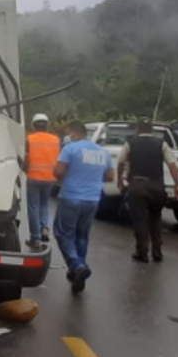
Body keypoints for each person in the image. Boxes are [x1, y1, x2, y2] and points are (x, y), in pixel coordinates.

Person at [53, 121, 113, 293]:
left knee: (63, 233)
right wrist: (91, 178)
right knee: (82, 235)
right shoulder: (102, 152)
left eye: (67, 133)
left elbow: (58, 172)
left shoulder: (70, 149)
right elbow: (110, 176)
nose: (66, 137)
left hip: (71, 197)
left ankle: (77, 265)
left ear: (74, 134)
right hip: (93, 199)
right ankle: (78, 272)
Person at [116, 119, 178, 263]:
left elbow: (120, 162)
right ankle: (157, 252)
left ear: (138, 129)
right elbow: (172, 165)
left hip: (137, 185)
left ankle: (142, 252)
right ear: (151, 130)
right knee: (155, 218)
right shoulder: (161, 144)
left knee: (139, 219)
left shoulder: (130, 143)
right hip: (156, 186)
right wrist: (177, 185)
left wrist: (120, 178)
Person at [25, 113, 61, 247]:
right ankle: (44, 228)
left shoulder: (29, 139)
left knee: (33, 206)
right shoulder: (56, 140)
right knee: (45, 204)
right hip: (50, 177)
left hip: (34, 176)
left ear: (33, 126)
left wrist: (24, 169)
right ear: (47, 126)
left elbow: (26, 159)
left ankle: (35, 238)